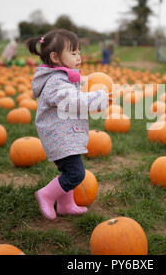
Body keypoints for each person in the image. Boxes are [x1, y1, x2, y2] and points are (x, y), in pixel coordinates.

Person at [27, 29, 111, 221]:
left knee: (68, 171)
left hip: (66, 134)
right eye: (73, 53)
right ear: (55, 57)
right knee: (76, 174)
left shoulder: (63, 76)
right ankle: (46, 195)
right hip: (60, 137)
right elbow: (74, 101)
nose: (79, 57)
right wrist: (99, 98)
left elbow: (77, 92)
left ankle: (65, 205)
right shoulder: (56, 81)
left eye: (79, 52)